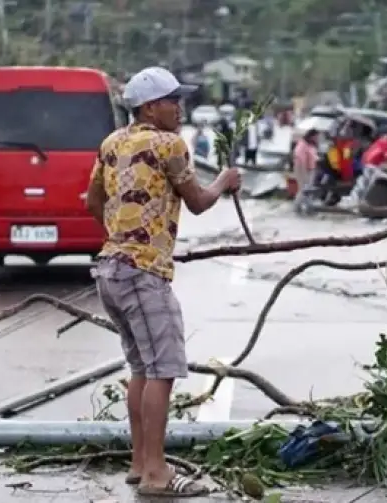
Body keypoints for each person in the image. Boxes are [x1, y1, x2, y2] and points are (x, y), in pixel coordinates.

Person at [84, 66, 241, 497]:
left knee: (141, 367)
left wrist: (119, 233)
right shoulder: (169, 143)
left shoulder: (111, 143)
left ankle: (140, 464)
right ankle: (157, 475)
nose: (180, 107)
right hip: (142, 274)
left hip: (111, 270)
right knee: (164, 371)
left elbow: (91, 200)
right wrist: (225, 181)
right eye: (174, 101)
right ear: (150, 107)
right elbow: (198, 203)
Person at [291, 128, 319, 211]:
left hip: (311, 169)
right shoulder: (302, 145)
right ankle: (296, 207)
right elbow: (300, 160)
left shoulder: (312, 145)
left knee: (309, 190)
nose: (317, 139)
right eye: (316, 137)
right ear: (311, 136)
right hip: (303, 169)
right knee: (303, 190)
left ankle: (307, 206)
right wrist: (304, 174)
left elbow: (313, 155)